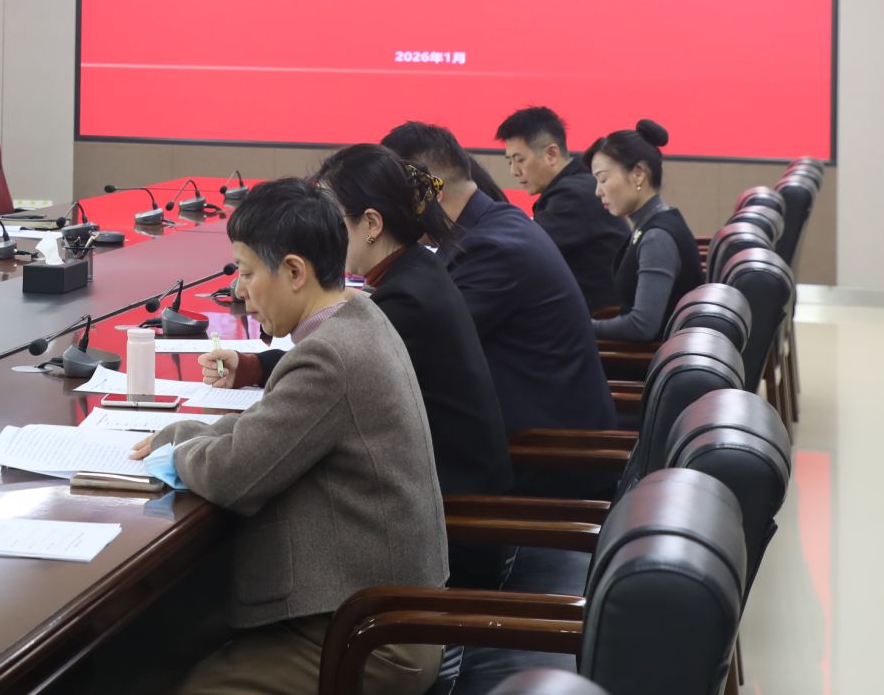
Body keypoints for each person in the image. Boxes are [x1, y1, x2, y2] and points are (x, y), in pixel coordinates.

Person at [127, 179, 446, 695]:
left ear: (295, 272)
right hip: (379, 612)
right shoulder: (359, 316)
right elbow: (268, 429)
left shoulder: (329, 357)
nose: (238, 290)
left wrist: (180, 450)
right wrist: (187, 433)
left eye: (247, 272)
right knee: (165, 641)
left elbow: (232, 474)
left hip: (371, 639)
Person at [201, 144, 512, 590]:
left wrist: (184, 441)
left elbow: (329, 368)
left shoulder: (404, 300)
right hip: (441, 511)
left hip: (454, 529)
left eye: (331, 215)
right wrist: (254, 366)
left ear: (370, 224)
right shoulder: (415, 272)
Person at [380, 122, 616, 440]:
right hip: (532, 422)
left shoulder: (490, 250)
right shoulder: (497, 222)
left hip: (550, 448)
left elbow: (419, 347)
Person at [495, 105, 627, 310]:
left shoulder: (572, 196)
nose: (514, 171)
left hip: (600, 319)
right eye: (509, 162)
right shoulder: (580, 183)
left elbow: (521, 251)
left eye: (520, 160)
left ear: (551, 154)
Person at [589, 120, 703, 342]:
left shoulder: (656, 238)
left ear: (638, 174)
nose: (597, 191)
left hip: (652, 359)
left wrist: (580, 326)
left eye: (603, 179)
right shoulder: (654, 223)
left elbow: (642, 327)